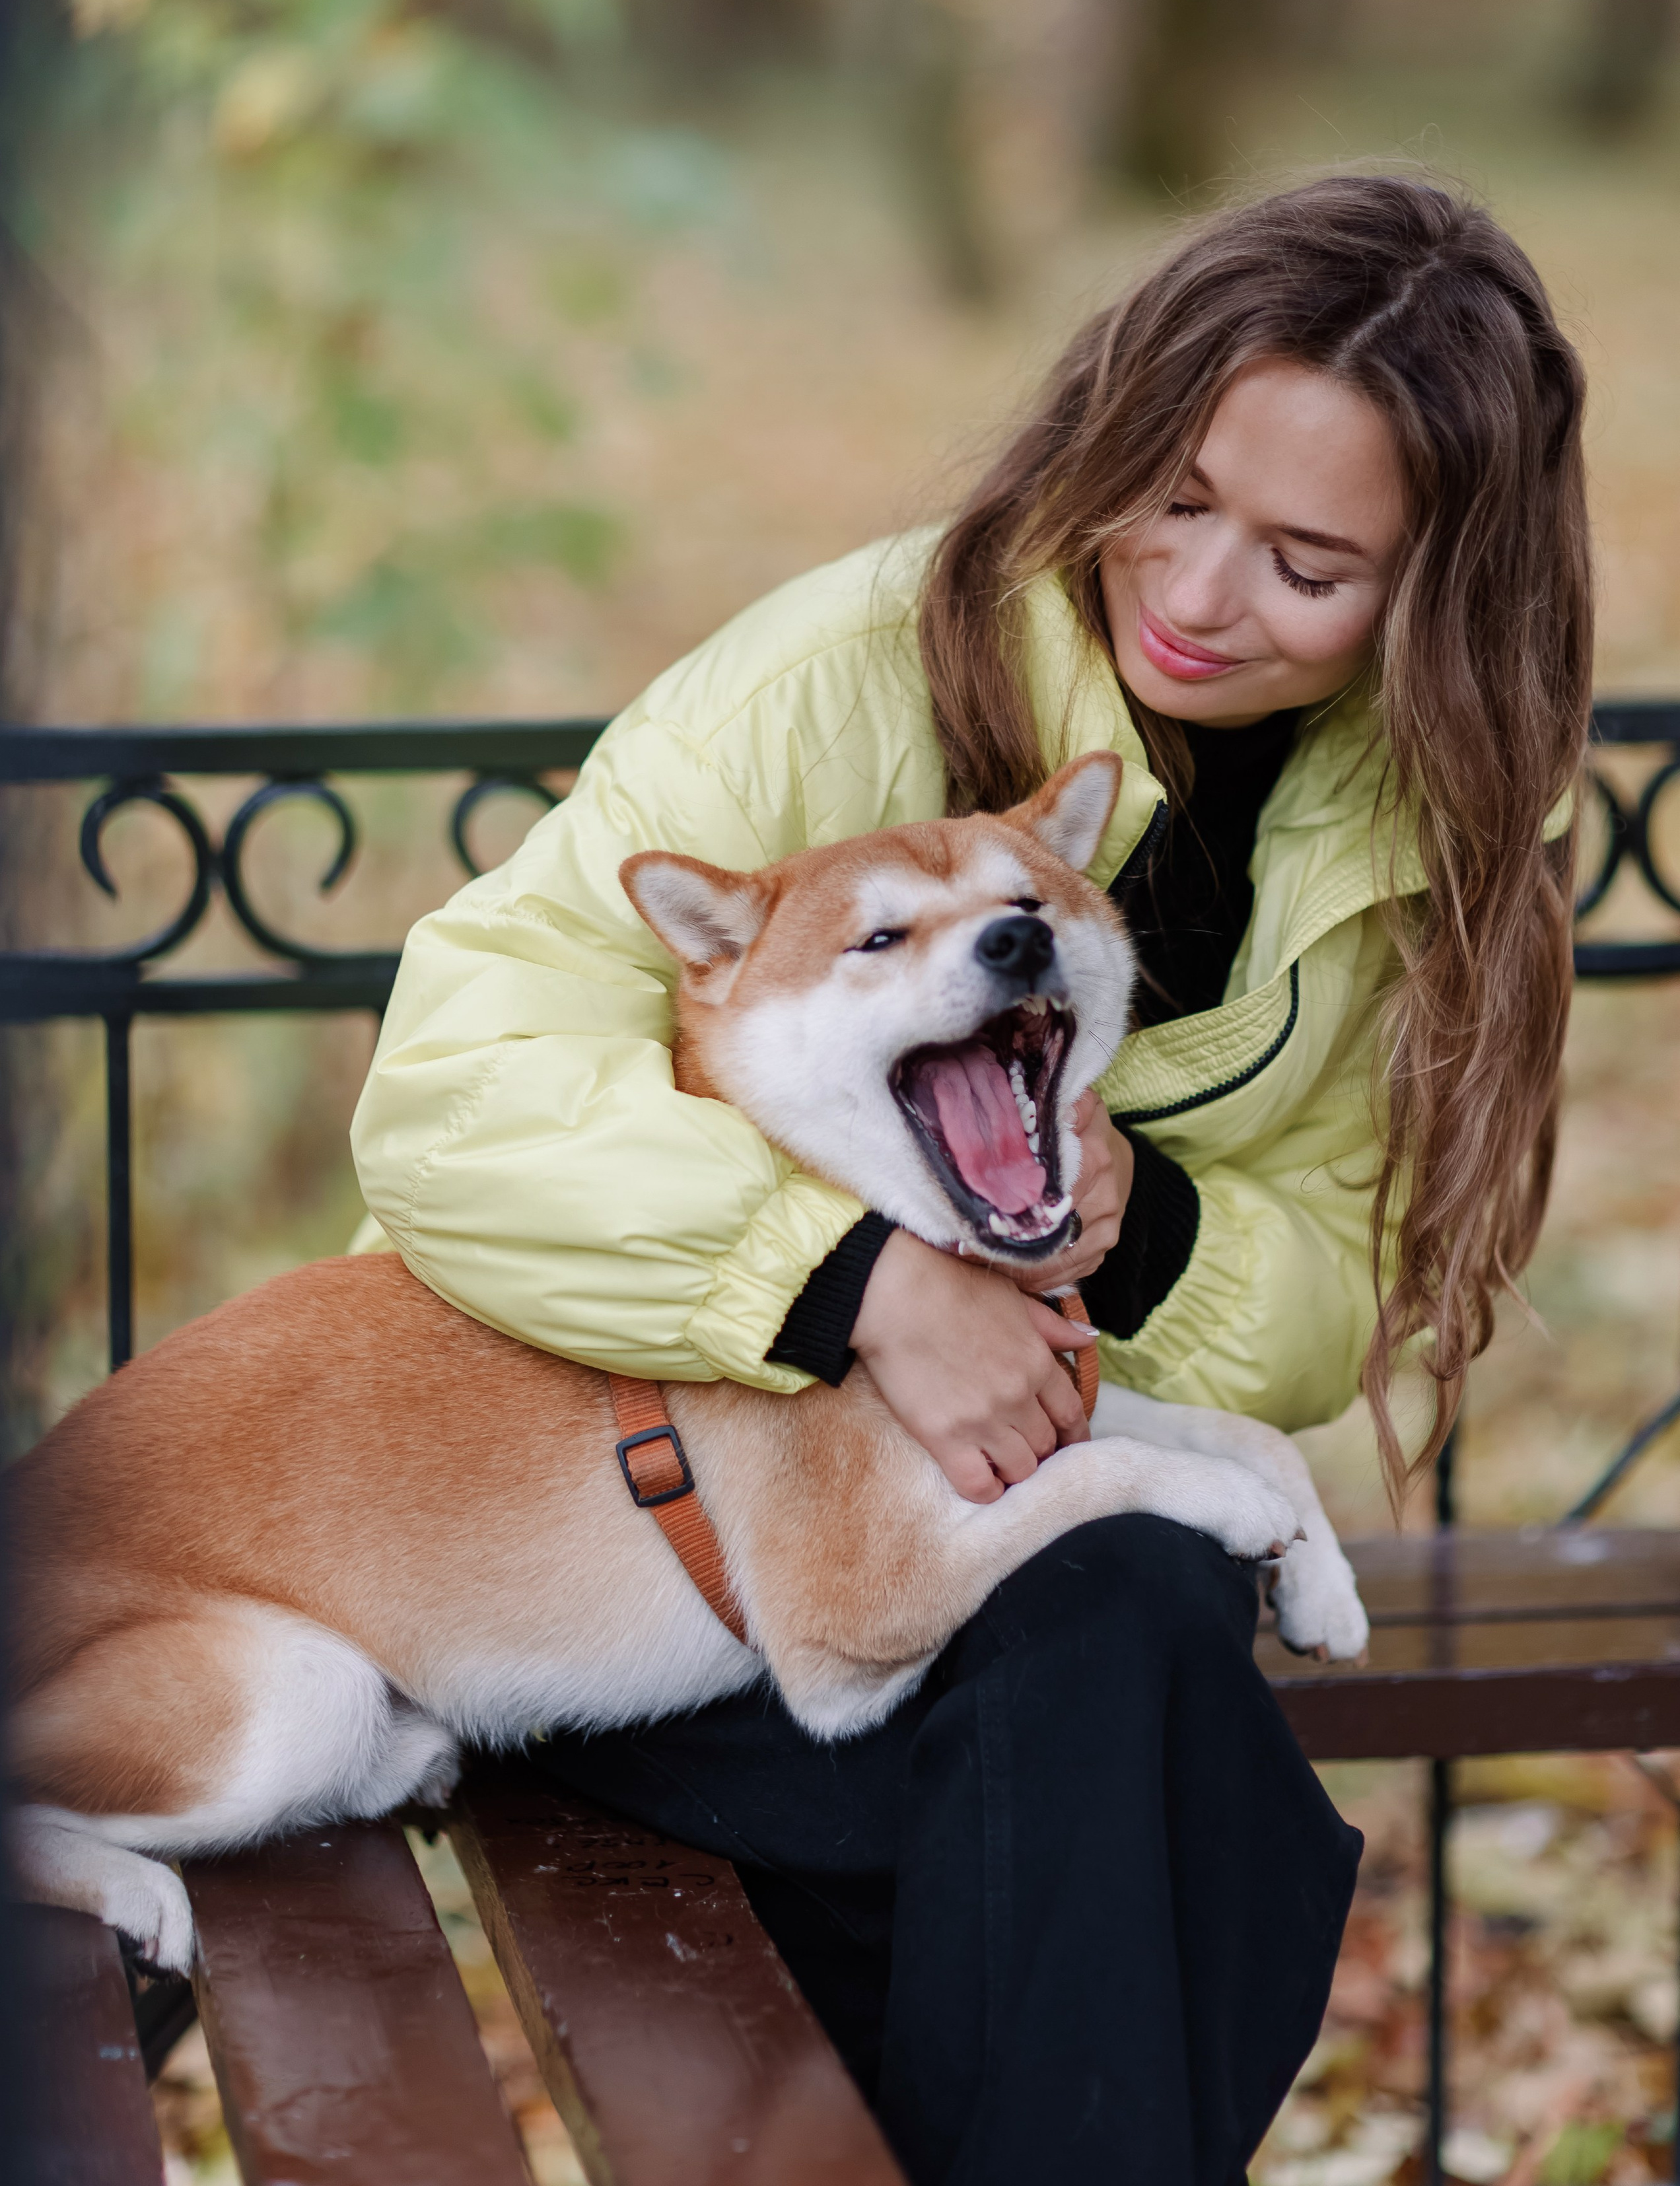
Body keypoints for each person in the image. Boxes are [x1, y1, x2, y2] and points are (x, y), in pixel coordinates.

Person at [351, 175, 1592, 2183]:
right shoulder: (831, 673)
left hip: (986, 1580)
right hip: (613, 1541)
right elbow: (451, 1093)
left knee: (1113, 1668)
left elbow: (1339, 1283)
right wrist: (847, 1279)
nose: (1197, 592)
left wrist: (1150, 1220)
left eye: (1309, 562)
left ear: (1438, 593)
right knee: (1162, 1784)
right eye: (1179, 496)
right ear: (1118, 429)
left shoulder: (1421, 822)